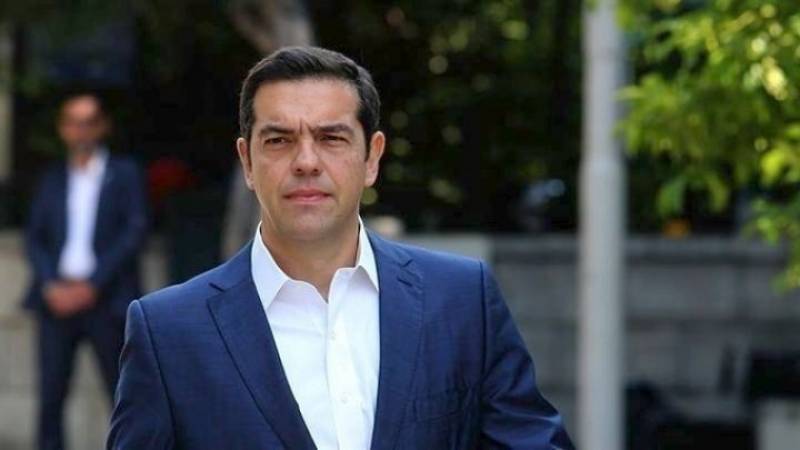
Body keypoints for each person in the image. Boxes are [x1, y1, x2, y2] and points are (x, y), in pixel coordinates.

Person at [108, 46, 573, 449]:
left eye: (331, 138)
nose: (306, 161)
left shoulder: (461, 300)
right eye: (279, 140)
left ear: (372, 157)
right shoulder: (168, 333)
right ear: (247, 161)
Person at [24, 92, 148, 450]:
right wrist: (50, 284)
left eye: (88, 122)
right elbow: (35, 237)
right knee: (50, 395)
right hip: (56, 299)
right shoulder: (52, 177)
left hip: (106, 299)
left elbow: (134, 231)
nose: (81, 131)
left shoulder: (123, 174)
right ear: (63, 129)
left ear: (102, 126)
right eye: (73, 123)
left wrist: (92, 284)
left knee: (122, 393)